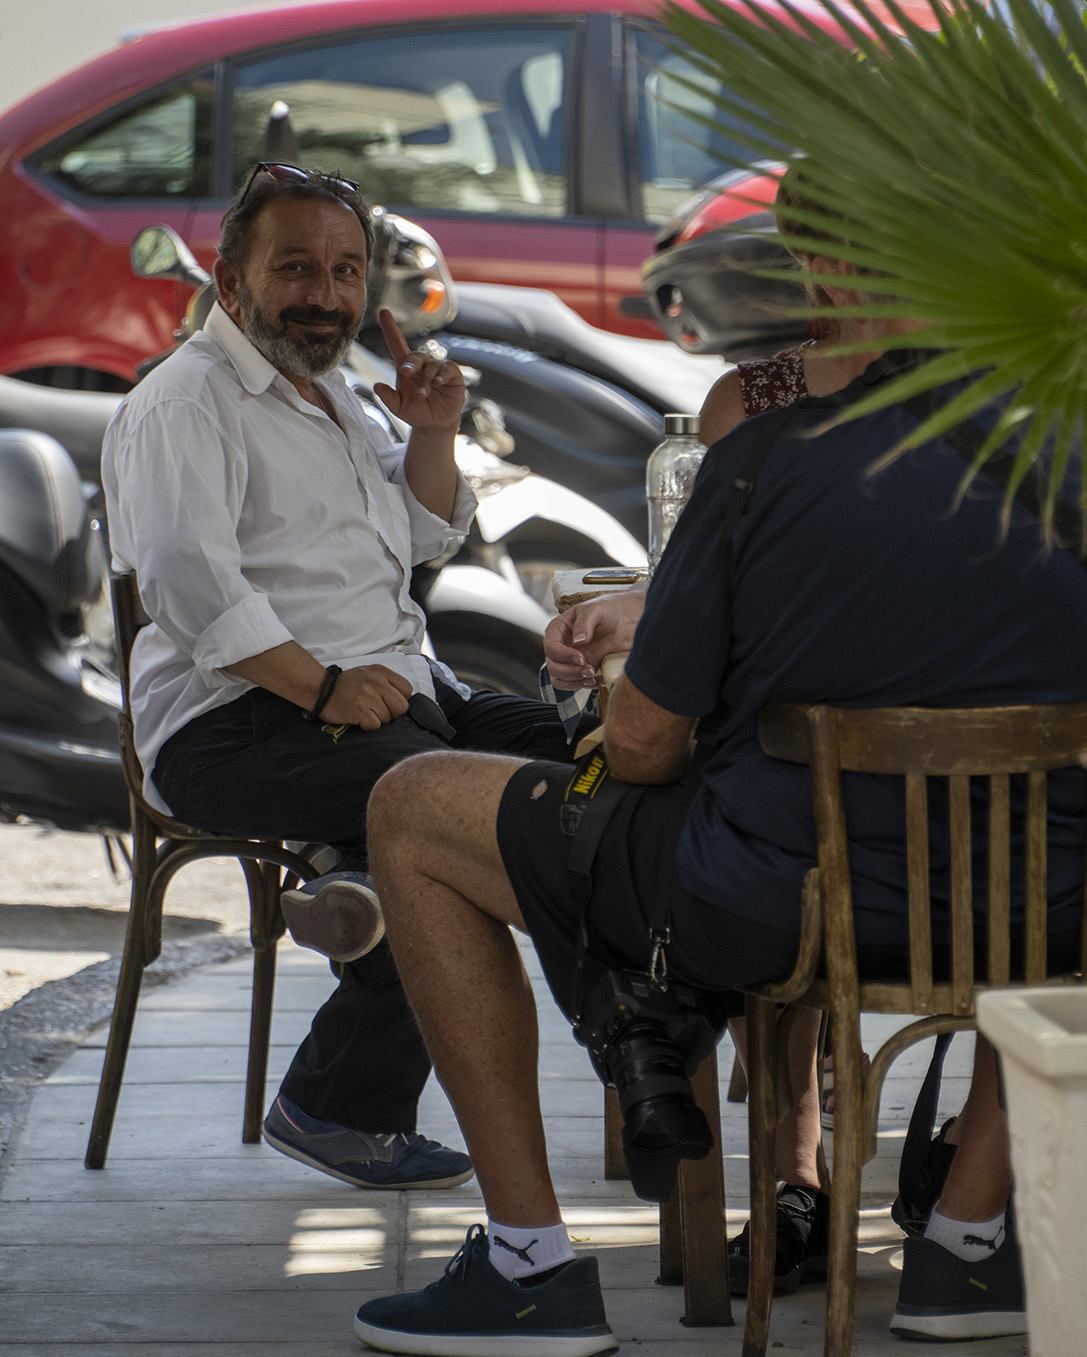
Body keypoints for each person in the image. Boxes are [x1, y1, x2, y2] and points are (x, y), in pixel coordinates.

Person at [351, 235, 1087, 1354]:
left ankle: (529, 1267)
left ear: (831, 282)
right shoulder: (1067, 459)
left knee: (413, 804)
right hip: (1043, 910)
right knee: (1027, 895)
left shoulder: (764, 461)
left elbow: (644, 744)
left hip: (776, 911)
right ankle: (968, 1242)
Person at [101, 162, 594, 1194]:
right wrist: (323, 687)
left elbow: (419, 533)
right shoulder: (183, 402)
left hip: (398, 693)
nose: (324, 294)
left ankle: (356, 882)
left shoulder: (328, 388)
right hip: (238, 723)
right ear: (231, 281)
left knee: (593, 761)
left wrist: (433, 431)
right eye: (295, 268)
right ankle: (337, 1096)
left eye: (343, 270)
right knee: (462, 818)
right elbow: (192, 587)